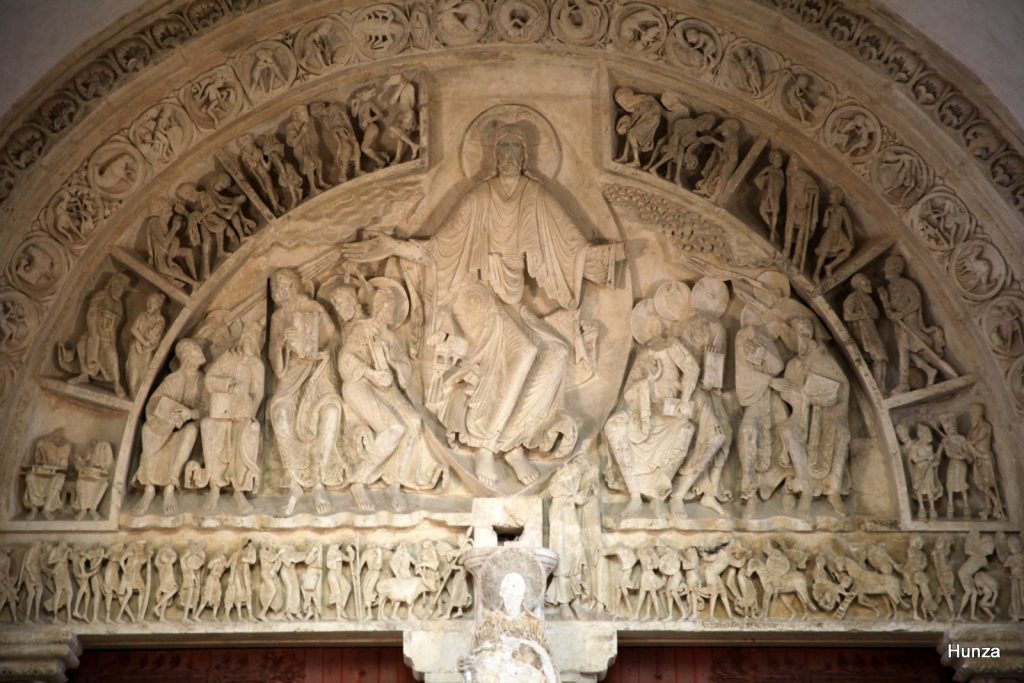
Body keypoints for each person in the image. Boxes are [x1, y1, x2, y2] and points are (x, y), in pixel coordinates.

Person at [341, 124, 623, 487]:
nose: (507, 156)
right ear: (493, 157)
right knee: (521, 353)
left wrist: (606, 257)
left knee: (555, 353)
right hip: (472, 295)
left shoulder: (535, 197)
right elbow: (437, 249)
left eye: (514, 149)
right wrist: (394, 246)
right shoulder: (479, 197)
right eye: (501, 149)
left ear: (525, 157)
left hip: (513, 304)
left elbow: (572, 248)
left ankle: (513, 440)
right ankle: (488, 447)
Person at [267, 268, 343, 515]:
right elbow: (277, 367)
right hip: (292, 375)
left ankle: (318, 479)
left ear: (294, 286)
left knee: (331, 409)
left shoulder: (315, 309)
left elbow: (335, 339)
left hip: (318, 373)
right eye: (275, 287)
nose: (278, 291)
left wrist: (323, 352)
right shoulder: (278, 317)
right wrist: (282, 343)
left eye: (283, 286)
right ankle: (293, 479)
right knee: (279, 410)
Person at [133, 339, 205, 515]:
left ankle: (170, 488)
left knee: (190, 431)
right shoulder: (173, 380)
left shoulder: (203, 381)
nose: (200, 350)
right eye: (196, 349)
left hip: (187, 429)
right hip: (166, 426)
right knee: (147, 430)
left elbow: (209, 410)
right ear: (187, 357)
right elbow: (153, 404)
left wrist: (191, 414)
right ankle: (149, 489)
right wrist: (169, 416)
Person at [200, 323, 265, 513]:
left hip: (242, 413)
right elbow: (209, 379)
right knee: (208, 426)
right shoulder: (229, 357)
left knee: (250, 430)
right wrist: (228, 385)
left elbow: (258, 393)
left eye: (254, 342)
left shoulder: (257, 365)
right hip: (222, 411)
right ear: (242, 341)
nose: (251, 346)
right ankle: (215, 486)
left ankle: (239, 490)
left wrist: (249, 413)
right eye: (248, 341)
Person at [464, 572, 557, 683]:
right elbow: (474, 659)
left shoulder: (534, 625)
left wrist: (530, 646)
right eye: (508, 592)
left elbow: (548, 660)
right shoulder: (488, 624)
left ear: (523, 595)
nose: (512, 597)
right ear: (501, 593)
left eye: (517, 593)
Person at [66, 273, 130, 396]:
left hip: (107, 336)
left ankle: (117, 384)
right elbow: (91, 312)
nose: (119, 291)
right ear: (111, 286)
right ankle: (84, 374)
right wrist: (94, 329)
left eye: (121, 289)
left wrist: (110, 319)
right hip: (94, 332)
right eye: (117, 287)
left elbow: (117, 321)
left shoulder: (119, 305)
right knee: (81, 345)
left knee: (112, 356)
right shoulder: (101, 296)